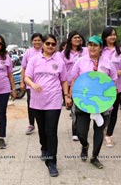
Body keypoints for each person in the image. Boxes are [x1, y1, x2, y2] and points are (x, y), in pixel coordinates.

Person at [24, 34, 71, 177]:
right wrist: (33, 84)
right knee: (42, 131)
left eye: (53, 44)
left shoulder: (59, 61)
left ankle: (52, 162)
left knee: (51, 131)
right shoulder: (34, 60)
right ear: (43, 44)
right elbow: (27, 77)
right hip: (37, 102)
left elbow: (63, 80)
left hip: (54, 100)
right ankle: (44, 147)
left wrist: (66, 96)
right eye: (48, 43)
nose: (50, 46)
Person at [70, 35, 117, 169]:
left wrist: (112, 98)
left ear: (101, 47)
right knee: (81, 132)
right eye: (90, 44)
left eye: (95, 45)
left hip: (102, 103)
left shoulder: (107, 62)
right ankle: (84, 145)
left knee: (99, 130)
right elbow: (74, 79)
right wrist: (70, 96)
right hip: (84, 102)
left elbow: (113, 80)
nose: (92, 47)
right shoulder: (80, 61)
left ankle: (95, 157)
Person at [101, 27, 121, 147]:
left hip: (117, 86)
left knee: (113, 112)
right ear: (105, 37)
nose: (113, 37)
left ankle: (108, 135)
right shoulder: (100, 50)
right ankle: (101, 130)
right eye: (110, 35)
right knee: (101, 110)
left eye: (114, 35)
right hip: (101, 87)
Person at [60, 31, 88, 141]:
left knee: (81, 107)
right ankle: (75, 131)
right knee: (74, 108)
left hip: (83, 84)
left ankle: (82, 128)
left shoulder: (85, 51)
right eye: (75, 37)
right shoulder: (63, 54)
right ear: (70, 39)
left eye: (79, 37)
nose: (78, 39)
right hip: (69, 84)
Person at [20, 33, 43, 135]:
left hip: (44, 84)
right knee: (31, 104)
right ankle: (31, 124)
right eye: (35, 40)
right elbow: (24, 68)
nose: (37, 42)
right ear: (32, 41)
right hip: (30, 84)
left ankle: (43, 123)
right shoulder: (28, 53)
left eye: (39, 40)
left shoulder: (46, 51)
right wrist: (22, 82)